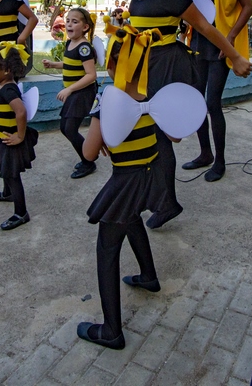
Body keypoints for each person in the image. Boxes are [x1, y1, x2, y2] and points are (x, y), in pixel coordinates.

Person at [122, 0, 252, 229]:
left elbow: (207, 28)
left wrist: (236, 57)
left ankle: (166, 201)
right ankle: (157, 195)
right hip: (142, 67)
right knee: (148, 132)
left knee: (158, 133)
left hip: (166, 67)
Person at [77, 35, 162, 350]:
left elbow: (88, 153)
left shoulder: (109, 99)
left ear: (112, 64)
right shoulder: (151, 96)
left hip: (126, 180)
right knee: (131, 218)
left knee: (107, 248)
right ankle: (148, 276)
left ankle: (111, 329)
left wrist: (100, 133)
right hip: (150, 175)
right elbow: (173, 136)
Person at [181, 0, 252, 182]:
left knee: (213, 103)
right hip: (197, 45)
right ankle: (205, 154)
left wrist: (231, 37)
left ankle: (220, 161)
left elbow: (248, 6)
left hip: (221, 47)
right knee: (197, 101)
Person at [0, 36, 38, 230]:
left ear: (6, 70)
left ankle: (21, 212)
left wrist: (20, 136)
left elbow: (21, 111)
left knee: (13, 174)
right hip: (2, 139)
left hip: (10, 140)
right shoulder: (1, 84)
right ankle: (7, 193)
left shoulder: (8, 90)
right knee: (4, 168)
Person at [42, 7, 99, 178]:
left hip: (82, 92)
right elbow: (70, 64)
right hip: (73, 93)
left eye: (75, 21)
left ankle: (89, 161)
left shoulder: (84, 48)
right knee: (65, 128)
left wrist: (70, 89)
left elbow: (91, 75)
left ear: (85, 27)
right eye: (68, 21)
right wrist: (53, 64)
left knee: (70, 129)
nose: (69, 24)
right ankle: (87, 156)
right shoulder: (70, 43)